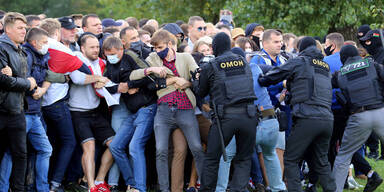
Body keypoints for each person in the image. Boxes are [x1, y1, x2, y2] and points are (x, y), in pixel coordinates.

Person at [129, 30, 205, 192]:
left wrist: (188, 82)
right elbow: (134, 76)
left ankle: (206, 186)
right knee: (161, 151)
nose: (157, 51)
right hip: (163, 111)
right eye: (155, 48)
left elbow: (196, 76)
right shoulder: (152, 59)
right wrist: (152, 71)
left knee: (197, 147)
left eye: (160, 47)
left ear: (170, 44)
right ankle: (164, 189)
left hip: (185, 108)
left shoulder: (185, 57)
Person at [258, 36, 336, 191]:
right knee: (322, 161)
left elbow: (274, 75)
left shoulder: (300, 61)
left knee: (291, 159)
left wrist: (262, 79)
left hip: (307, 117)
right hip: (327, 119)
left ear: (301, 50)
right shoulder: (324, 67)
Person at [195, 32, 258, 192]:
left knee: (212, 158)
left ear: (215, 47)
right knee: (244, 158)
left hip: (225, 118)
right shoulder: (243, 62)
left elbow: (200, 92)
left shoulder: (212, 65)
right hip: (249, 115)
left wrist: (196, 80)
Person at [104, 37, 160, 192]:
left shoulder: (131, 57)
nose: (111, 57)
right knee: (115, 146)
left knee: (135, 147)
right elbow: (105, 85)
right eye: (108, 54)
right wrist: (120, 88)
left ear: (122, 49)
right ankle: (132, 183)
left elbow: (150, 76)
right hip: (133, 111)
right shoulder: (108, 63)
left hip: (147, 107)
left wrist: (130, 85)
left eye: (114, 54)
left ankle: (140, 188)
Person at [332, 44, 384, 192]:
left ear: (343, 58)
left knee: (343, 157)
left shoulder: (340, 73)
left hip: (358, 117)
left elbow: (325, 85)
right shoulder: (373, 65)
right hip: (380, 111)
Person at [0, 12, 37, 192]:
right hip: (2, 110)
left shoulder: (20, 50)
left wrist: (17, 79)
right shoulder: (1, 47)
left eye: (25, 28)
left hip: (18, 110)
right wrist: (27, 83)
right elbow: (3, 80)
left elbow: (14, 79)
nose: (24, 31)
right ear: (7, 29)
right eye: (20, 28)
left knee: (21, 155)